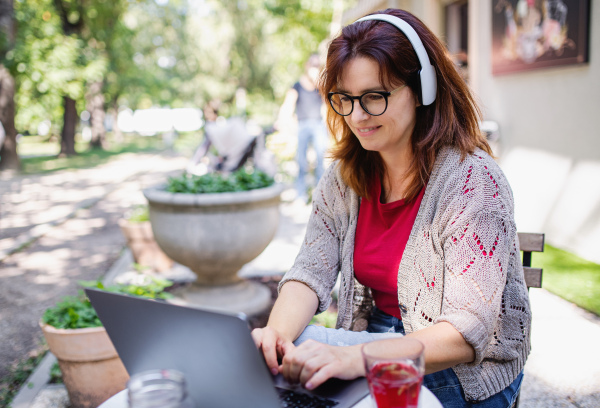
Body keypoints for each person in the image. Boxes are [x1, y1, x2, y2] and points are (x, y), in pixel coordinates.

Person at [252, 8, 531, 407]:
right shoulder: (344, 178)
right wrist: (276, 336)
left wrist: (355, 358)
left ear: (423, 88)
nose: (357, 116)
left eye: (373, 97)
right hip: (373, 341)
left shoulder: (473, 183)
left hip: (459, 371)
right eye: (344, 99)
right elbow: (310, 271)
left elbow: (466, 331)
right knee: (285, 364)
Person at [276, 54, 329, 202]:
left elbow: (328, 104)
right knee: (301, 161)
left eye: (317, 65)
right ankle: (300, 194)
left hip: (318, 125)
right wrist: (282, 120)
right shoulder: (297, 86)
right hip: (302, 125)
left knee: (320, 160)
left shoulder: (320, 86)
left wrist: (319, 83)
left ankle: (320, 197)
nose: (314, 67)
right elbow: (288, 104)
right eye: (312, 65)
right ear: (307, 65)